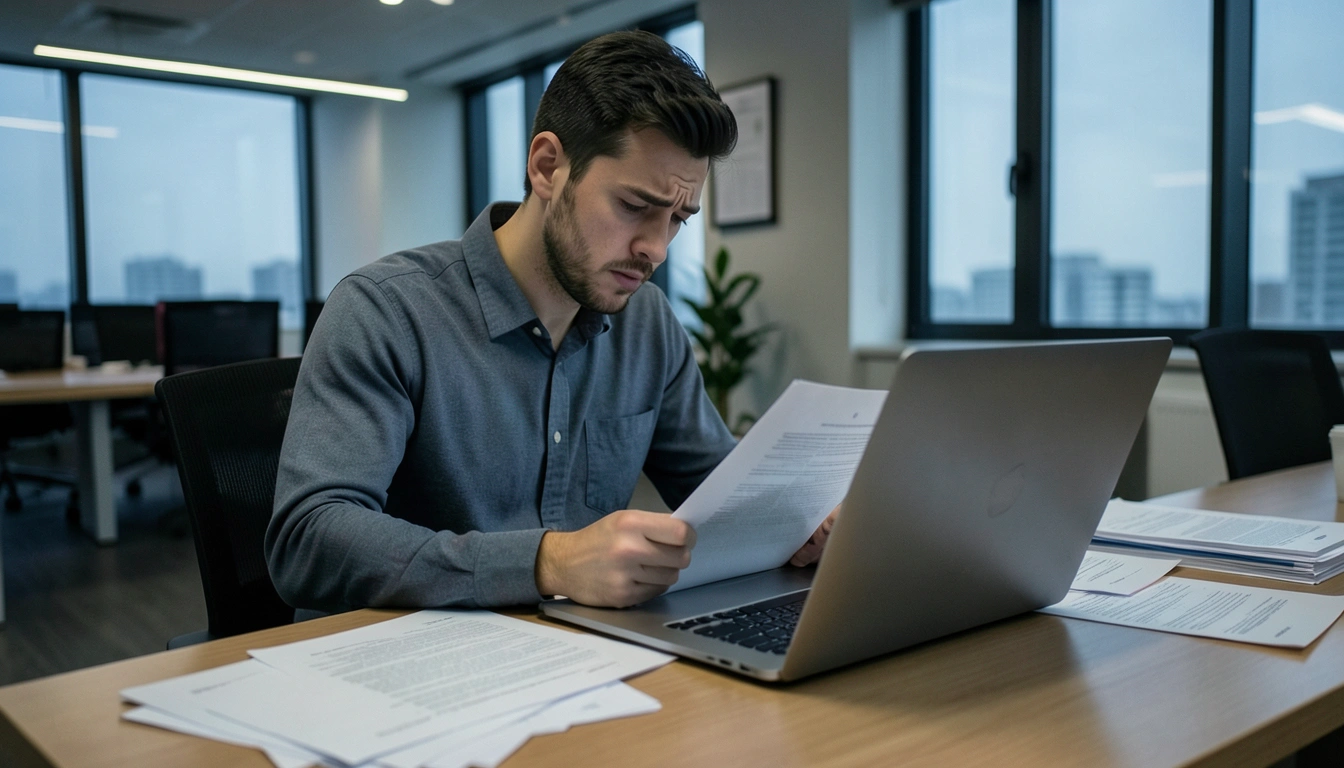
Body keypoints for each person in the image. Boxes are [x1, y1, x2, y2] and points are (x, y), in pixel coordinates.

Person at [266, 30, 833, 615]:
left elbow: (723, 498)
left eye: (678, 220)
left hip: (587, 657)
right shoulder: (386, 312)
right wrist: (549, 561)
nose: (656, 249)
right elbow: (310, 540)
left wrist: (800, 522)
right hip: (415, 668)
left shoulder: (647, 326)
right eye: (635, 207)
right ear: (547, 167)